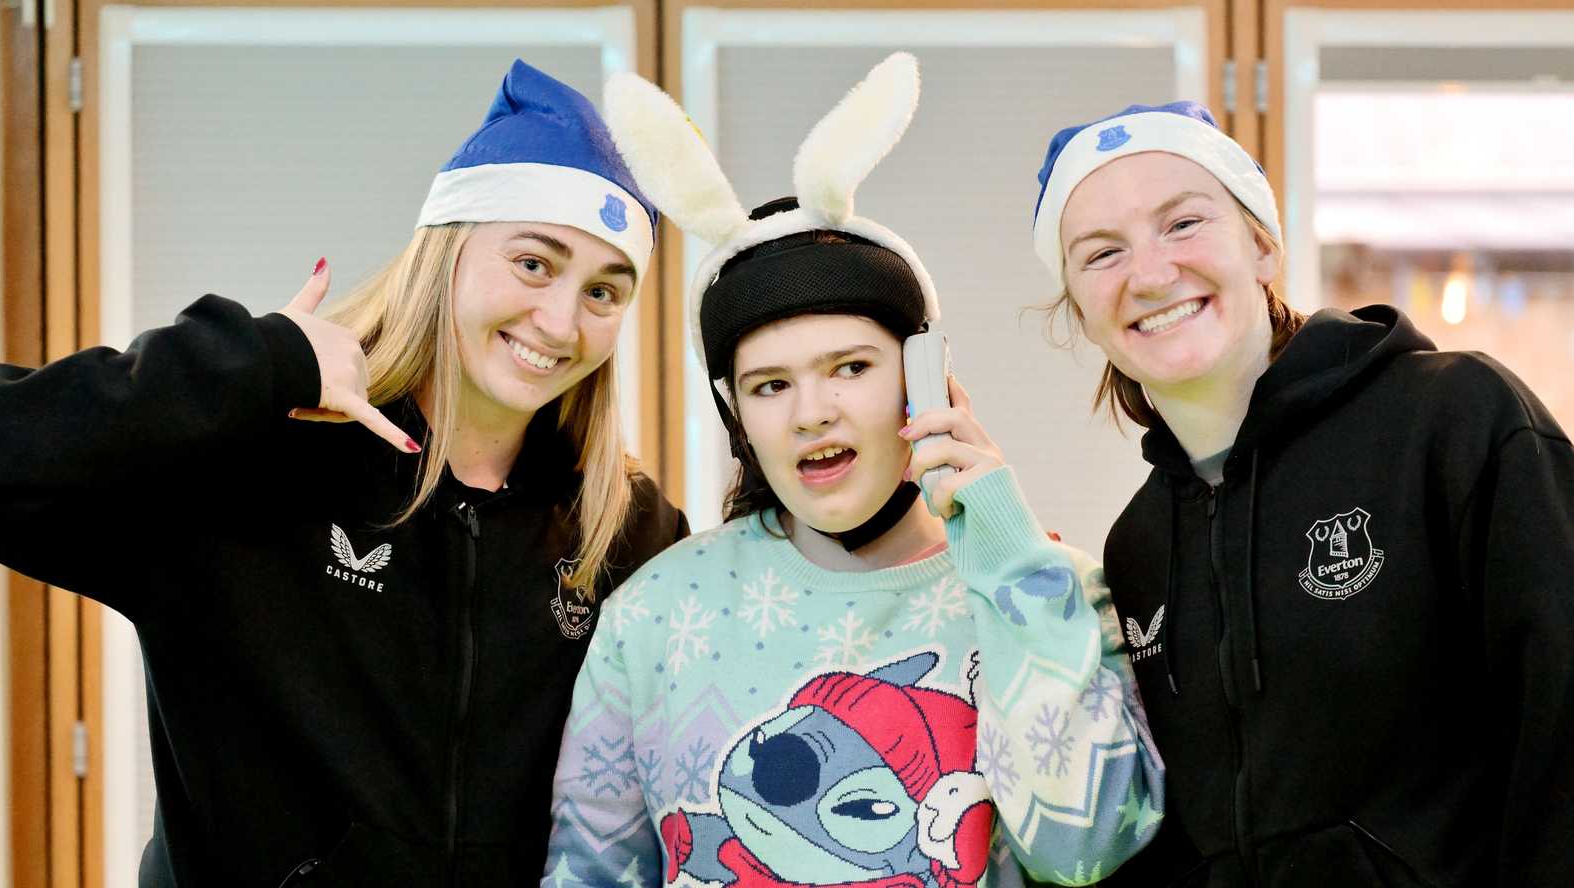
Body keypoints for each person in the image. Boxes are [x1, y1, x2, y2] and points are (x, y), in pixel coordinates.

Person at [0, 60, 687, 886]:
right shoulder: (255, 461)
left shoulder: (626, 529)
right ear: (447, 254)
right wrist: (258, 361)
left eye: (605, 292)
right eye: (534, 264)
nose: (561, 320)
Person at [543, 54, 1162, 888]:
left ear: (925, 375)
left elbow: (1083, 848)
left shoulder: (1056, 589)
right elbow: (587, 873)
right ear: (737, 417)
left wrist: (1008, 551)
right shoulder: (653, 616)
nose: (811, 412)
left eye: (850, 368)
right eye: (770, 385)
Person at [1031, 100, 1574, 885]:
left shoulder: (1455, 423)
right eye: (1101, 253)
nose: (1150, 274)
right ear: (1080, 311)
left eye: (1183, 224)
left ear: (1262, 244)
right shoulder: (1140, 546)